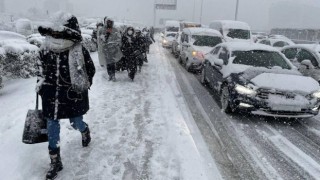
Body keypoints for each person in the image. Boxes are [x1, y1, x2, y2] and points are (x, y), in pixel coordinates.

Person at [36, 12, 96, 180]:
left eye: (58, 32)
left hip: (72, 96)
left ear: (68, 31)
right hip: (51, 95)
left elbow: (90, 70)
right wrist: (41, 84)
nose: (55, 35)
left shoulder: (78, 50)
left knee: (76, 122)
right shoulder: (45, 49)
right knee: (52, 126)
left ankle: (84, 130)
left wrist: (81, 84)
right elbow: (40, 70)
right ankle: (55, 161)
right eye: (53, 32)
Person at [97, 17, 122, 81]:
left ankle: (113, 75)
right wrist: (104, 37)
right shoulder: (102, 30)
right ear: (106, 22)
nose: (109, 23)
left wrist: (116, 44)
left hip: (113, 49)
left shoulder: (115, 30)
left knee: (112, 63)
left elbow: (119, 38)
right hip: (106, 49)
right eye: (108, 22)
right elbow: (100, 39)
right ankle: (110, 75)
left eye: (111, 22)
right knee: (108, 62)